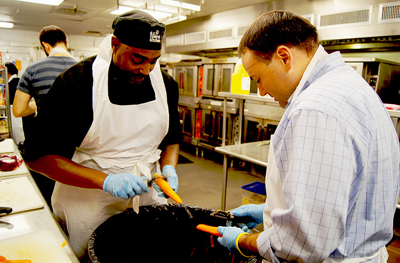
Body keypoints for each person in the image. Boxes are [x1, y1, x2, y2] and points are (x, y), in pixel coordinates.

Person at [217, 10, 400, 262]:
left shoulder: (315, 108)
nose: (261, 91)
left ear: (284, 57)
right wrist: (271, 212)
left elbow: (302, 243)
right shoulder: (348, 84)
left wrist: (242, 241)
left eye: (258, 78)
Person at [23, 10, 181, 260]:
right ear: (114, 44)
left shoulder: (166, 85)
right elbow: (37, 156)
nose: (146, 70)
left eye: (153, 61)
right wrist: (106, 181)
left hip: (145, 195)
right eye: (138, 59)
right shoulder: (76, 84)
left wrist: (168, 169)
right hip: (88, 203)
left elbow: (171, 138)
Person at [12, 25, 78, 209]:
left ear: (45, 46)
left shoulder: (33, 69)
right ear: (66, 43)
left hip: (48, 148)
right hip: (80, 147)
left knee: (49, 199)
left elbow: (18, 110)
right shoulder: (86, 68)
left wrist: (36, 106)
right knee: (75, 199)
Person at [4, 62, 23, 144]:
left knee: (17, 135)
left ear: (7, 73)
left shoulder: (10, 84)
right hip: (21, 112)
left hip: (14, 113)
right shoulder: (20, 81)